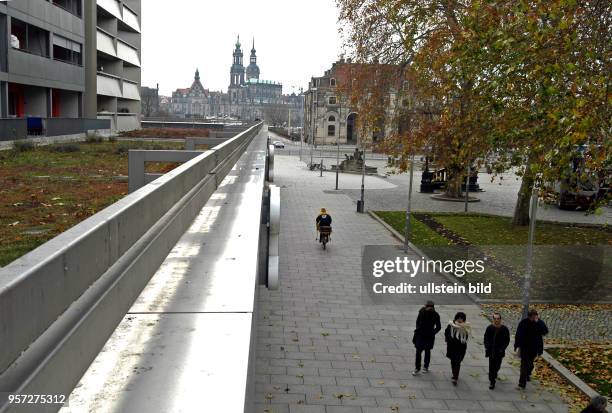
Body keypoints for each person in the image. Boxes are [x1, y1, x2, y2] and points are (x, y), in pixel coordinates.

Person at [514, 309, 549, 389]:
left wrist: (538, 322)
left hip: (534, 347)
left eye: (535, 317)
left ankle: (528, 373)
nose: (534, 319)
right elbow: (518, 334)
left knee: (530, 363)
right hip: (525, 347)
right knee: (524, 364)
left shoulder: (539, 323)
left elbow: (545, 331)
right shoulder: (524, 323)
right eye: (532, 317)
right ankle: (522, 383)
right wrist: (517, 345)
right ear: (529, 317)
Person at [411, 300, 441, 375]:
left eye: (430, 307)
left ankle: (426, 367)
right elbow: (417, 321)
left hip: (429, 336)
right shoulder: (421, 311)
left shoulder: (435, 315)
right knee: (418, 352)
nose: (428, 309)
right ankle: (417, 368)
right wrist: (418, 329)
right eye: (427, 307)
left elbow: (438, 327)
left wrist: (433, 333)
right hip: (420, 335)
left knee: (427, 351)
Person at [484, 312, 510, 389]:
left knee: (497, 366)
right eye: (495, 318)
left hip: (499, 352)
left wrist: (502, 349)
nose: (496, 320)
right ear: (493, 319)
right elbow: (486, 338)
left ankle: (494, 373)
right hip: (491, 351)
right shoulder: (489, 328)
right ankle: (492, 381)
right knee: (491, 366)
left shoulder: (504, 329)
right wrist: (487, 346)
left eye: (498, 318)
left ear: (500, 319)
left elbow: (507, 340)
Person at [445, 312, 471, 385]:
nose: (460, 320)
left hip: (461, 348)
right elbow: (447, 333)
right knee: (453, 361)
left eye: (461, 318)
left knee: (457, 362)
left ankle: (455, 378)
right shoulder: (451, 325)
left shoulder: (465, 326)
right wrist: (449, 340)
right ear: (456, 318)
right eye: (459, 318)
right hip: (452, 347)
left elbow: (466, 336)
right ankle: (454, 373)